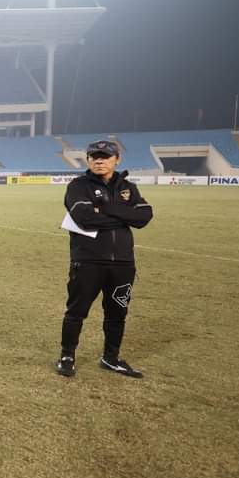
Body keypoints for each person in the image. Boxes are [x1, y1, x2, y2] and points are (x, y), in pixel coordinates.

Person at [56, 140, 153, 378]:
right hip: (88, 260)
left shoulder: (128, 186)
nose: (99, 160)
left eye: (105, 156)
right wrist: (123, 214)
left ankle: (111, 358)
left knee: (117, 313)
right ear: (88, 160)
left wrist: (106, 208)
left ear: (117, 159)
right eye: (94, 156)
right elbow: (84, 217)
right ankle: (67, 356)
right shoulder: (78, 186)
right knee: (76, 311)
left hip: (123, 263)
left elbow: (144, 216)